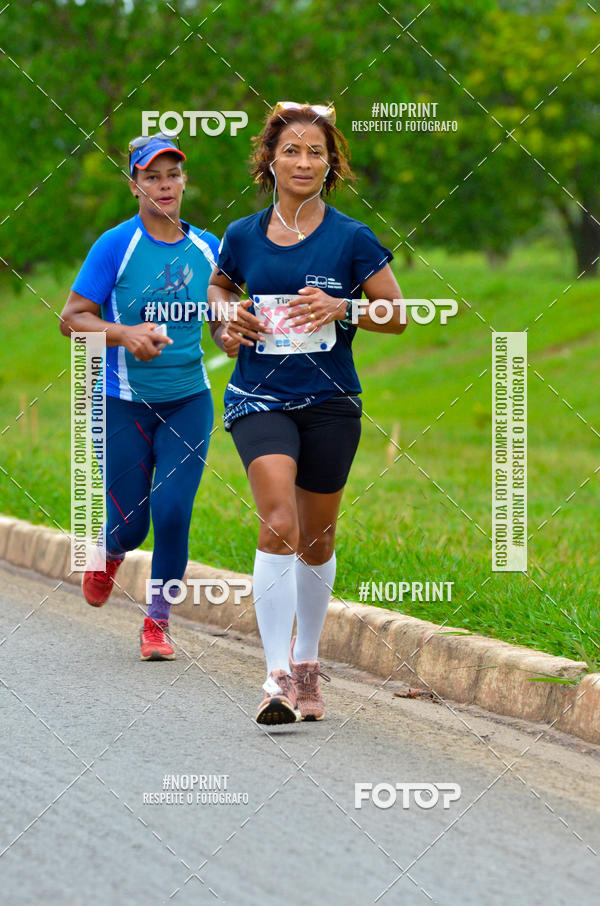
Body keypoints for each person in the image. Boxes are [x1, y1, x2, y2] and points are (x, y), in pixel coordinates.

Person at [208, 102, 406, 724]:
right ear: (270, 160)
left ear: (330, 165)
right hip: (258, 398)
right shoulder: (240, 235)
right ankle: (274, 680)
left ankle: (309, 662)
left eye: (314, 152)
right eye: (290, 150)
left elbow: (397, 315)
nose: (302, 161)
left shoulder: (352, 238)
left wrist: (342, 308)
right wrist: (224, 320)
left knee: (317, 538)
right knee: (278, 521)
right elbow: (220, 291)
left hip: (330, 404)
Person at [61, 133, 223, 660]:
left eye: (172, 175)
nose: (164, 185)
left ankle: (157, 622)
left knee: (174, 510)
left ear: (184, 181)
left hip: (188, 401)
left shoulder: (210, 248)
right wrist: (125, 333)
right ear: (134, 185)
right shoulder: (116, 245)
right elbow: (72, 320)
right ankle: (108, 551)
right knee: (131, 524)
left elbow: (221, 320)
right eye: (151, 176)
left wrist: (232, 335)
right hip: (123, 403)